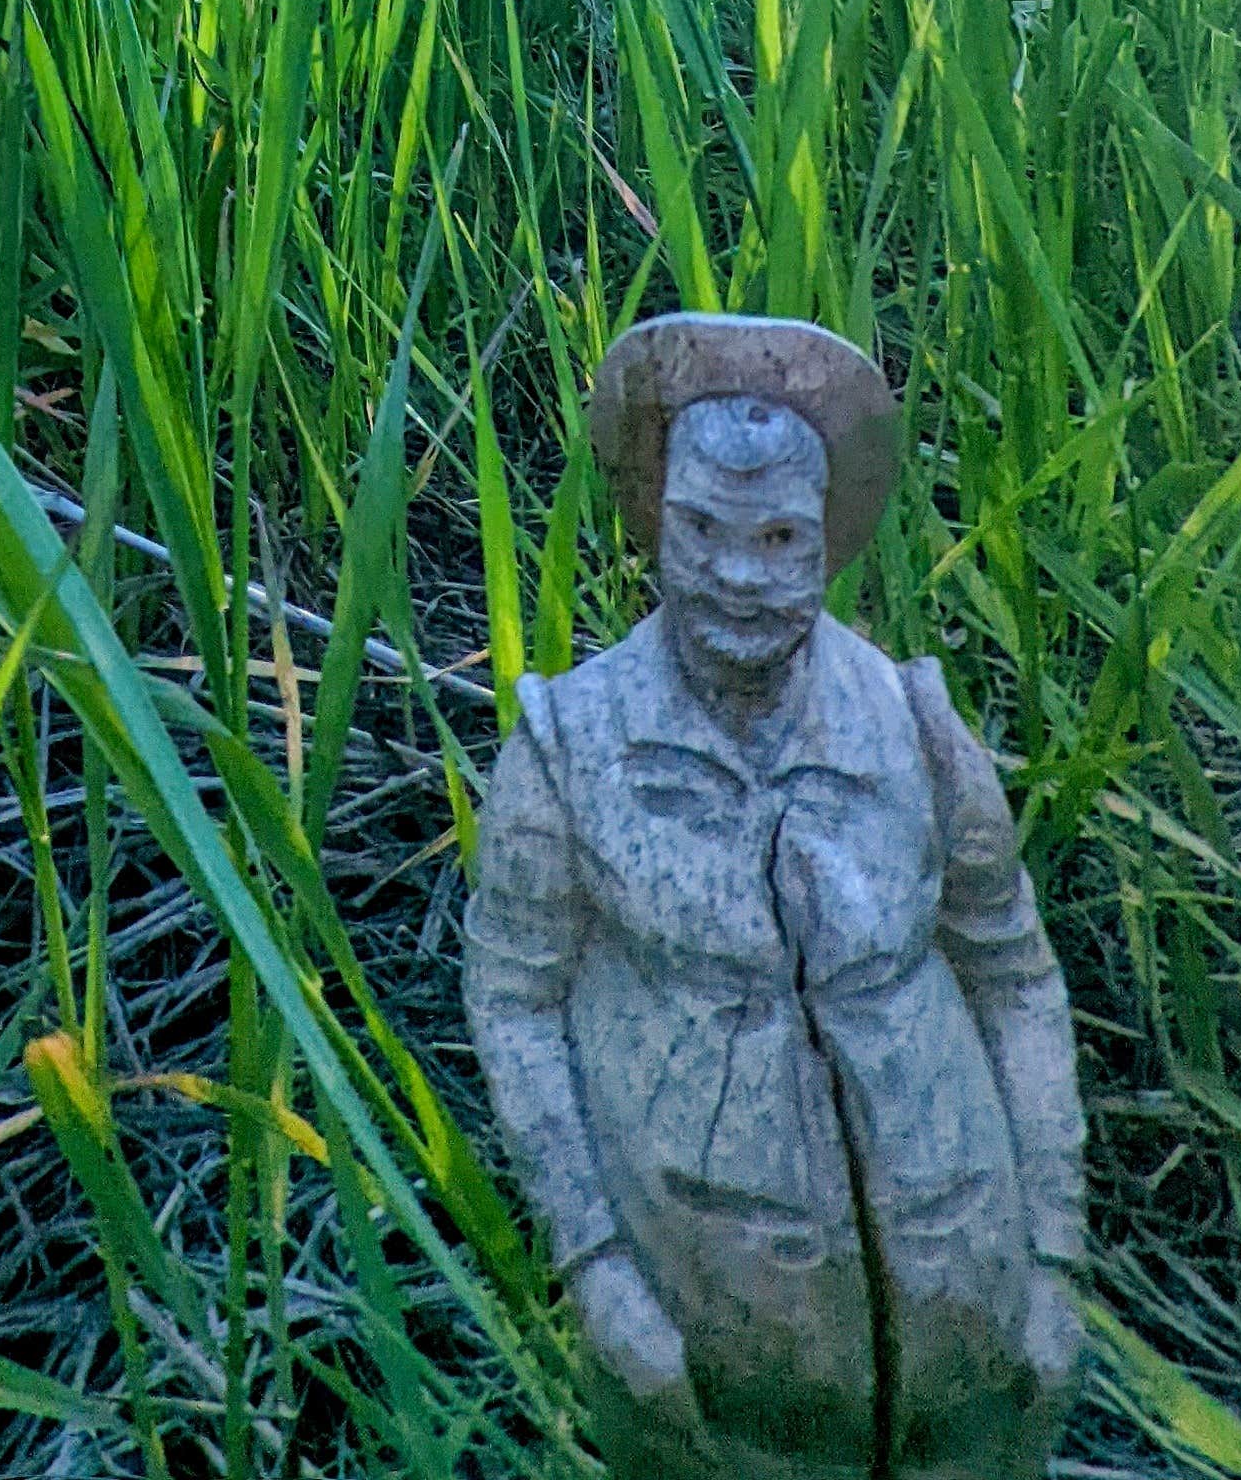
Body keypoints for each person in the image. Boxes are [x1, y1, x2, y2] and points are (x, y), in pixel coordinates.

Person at [464, 314, 1086, 1478]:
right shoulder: (565, 745)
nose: (740, 577)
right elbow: (512, 999)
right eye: (702, 529)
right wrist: (594, 1268)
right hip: (708, 1368)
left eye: (782, 536)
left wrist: (1055, 1258)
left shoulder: (918, 729)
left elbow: (1013, 977)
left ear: (830, 541)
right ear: (650, 516)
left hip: (968, 1337)